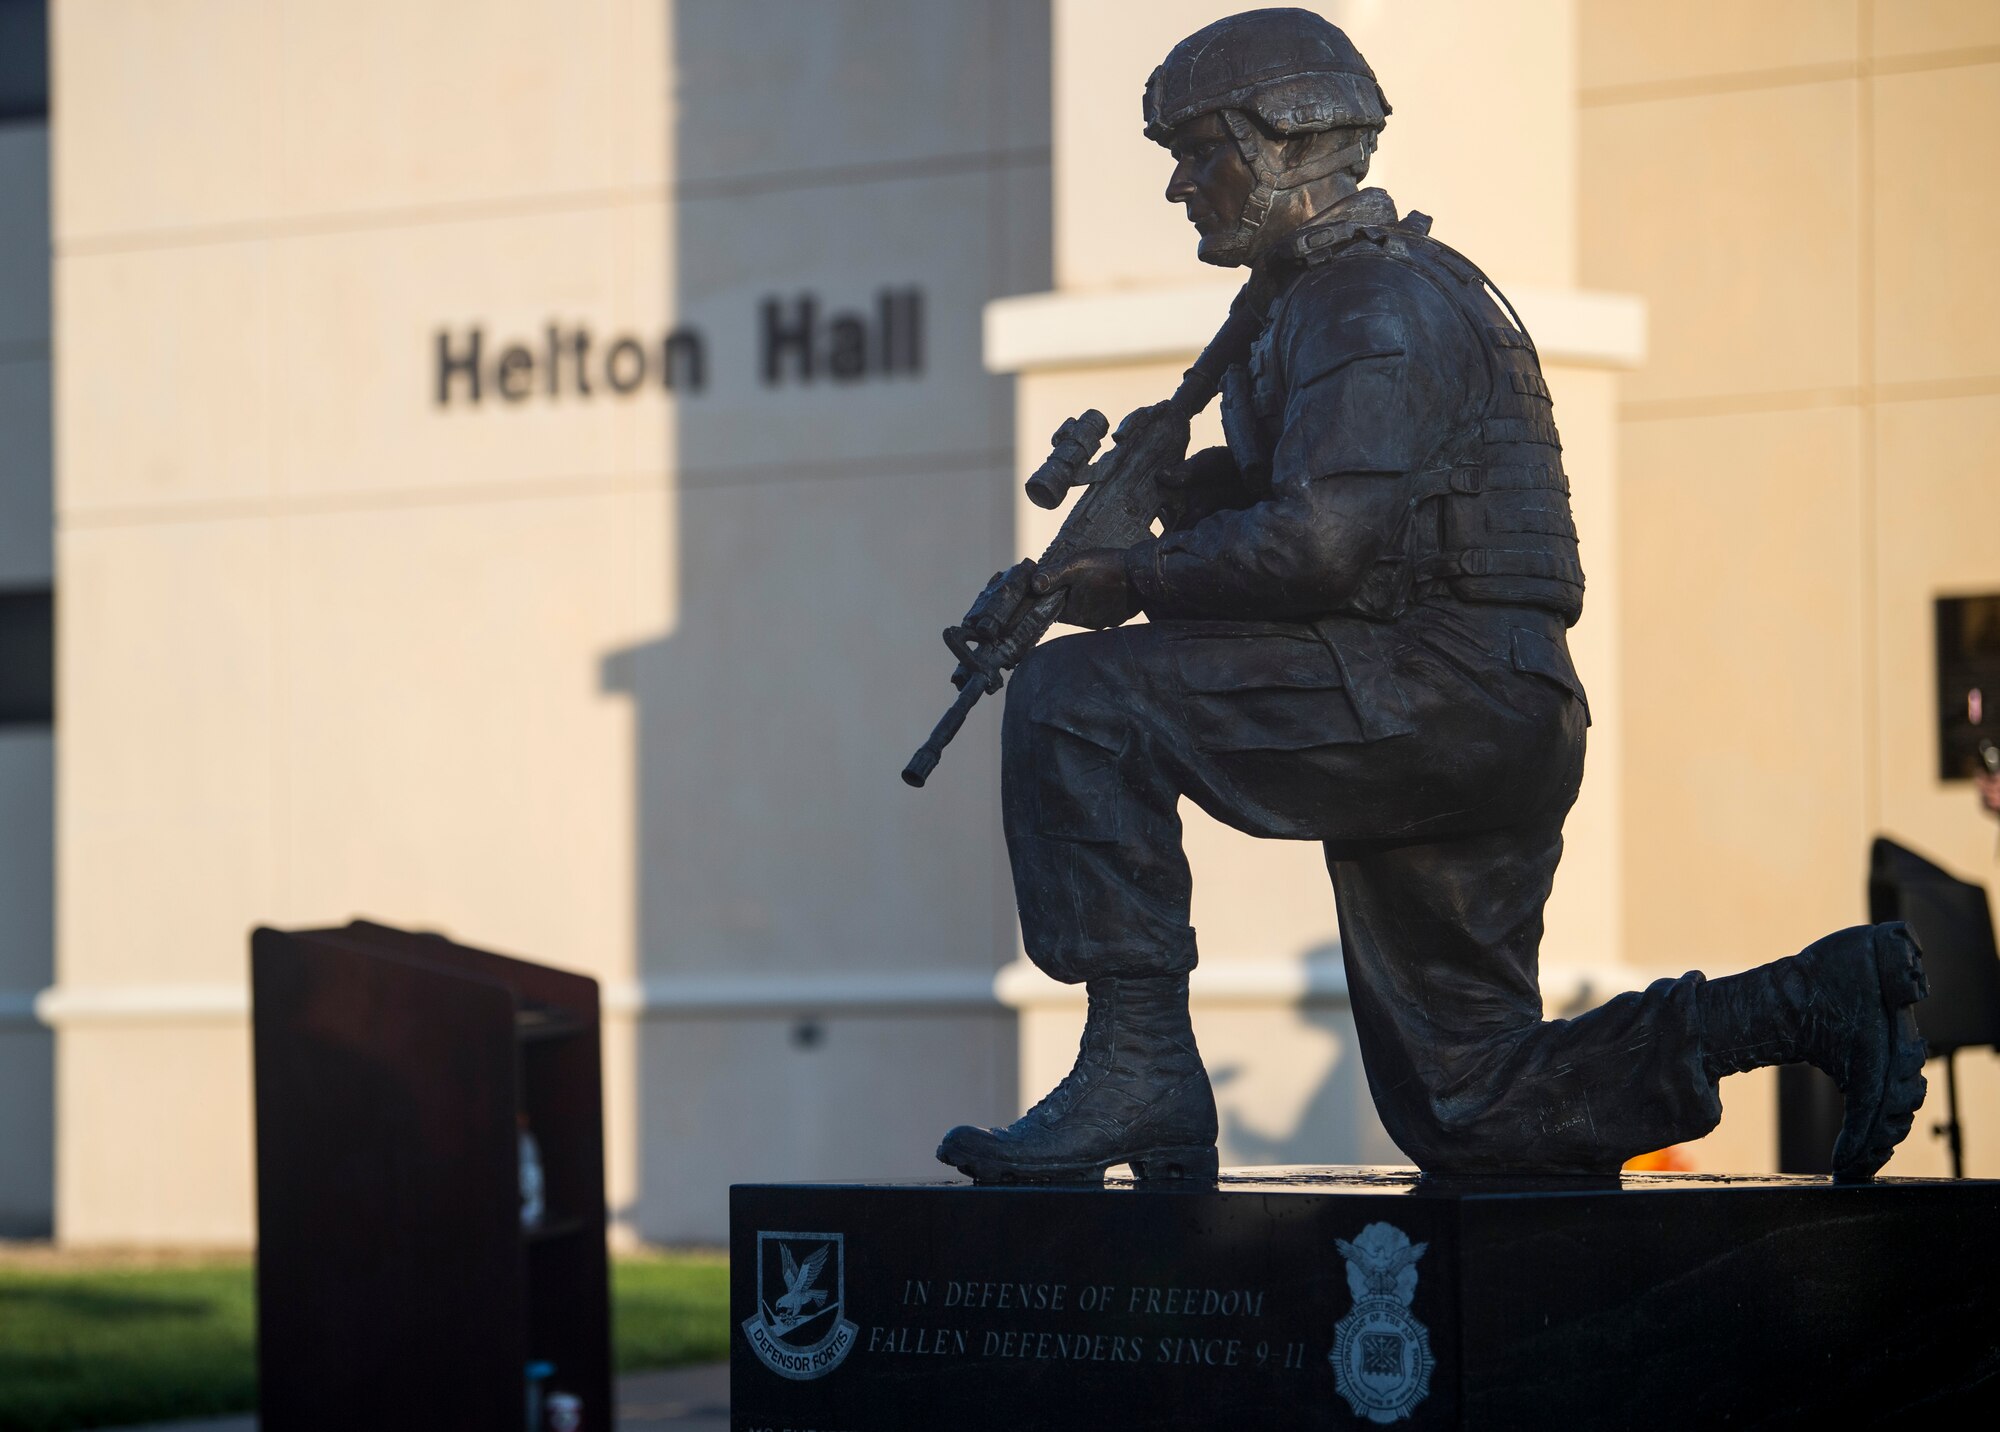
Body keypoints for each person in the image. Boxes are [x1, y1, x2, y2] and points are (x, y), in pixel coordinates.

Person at [936, 8, 1928, 1186]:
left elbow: (1318, 546)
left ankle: (1137, 1064)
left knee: (1070, 702)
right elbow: (1318, 507)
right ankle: (1803, 1002)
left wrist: (1131, 579)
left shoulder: (1365, 304)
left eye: (1201, 151)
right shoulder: (1313, 304)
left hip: (1436, 693)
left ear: (1288, 140)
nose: (1181, 186)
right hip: (1475, 706)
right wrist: (1175, 502)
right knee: (1472, 1105)